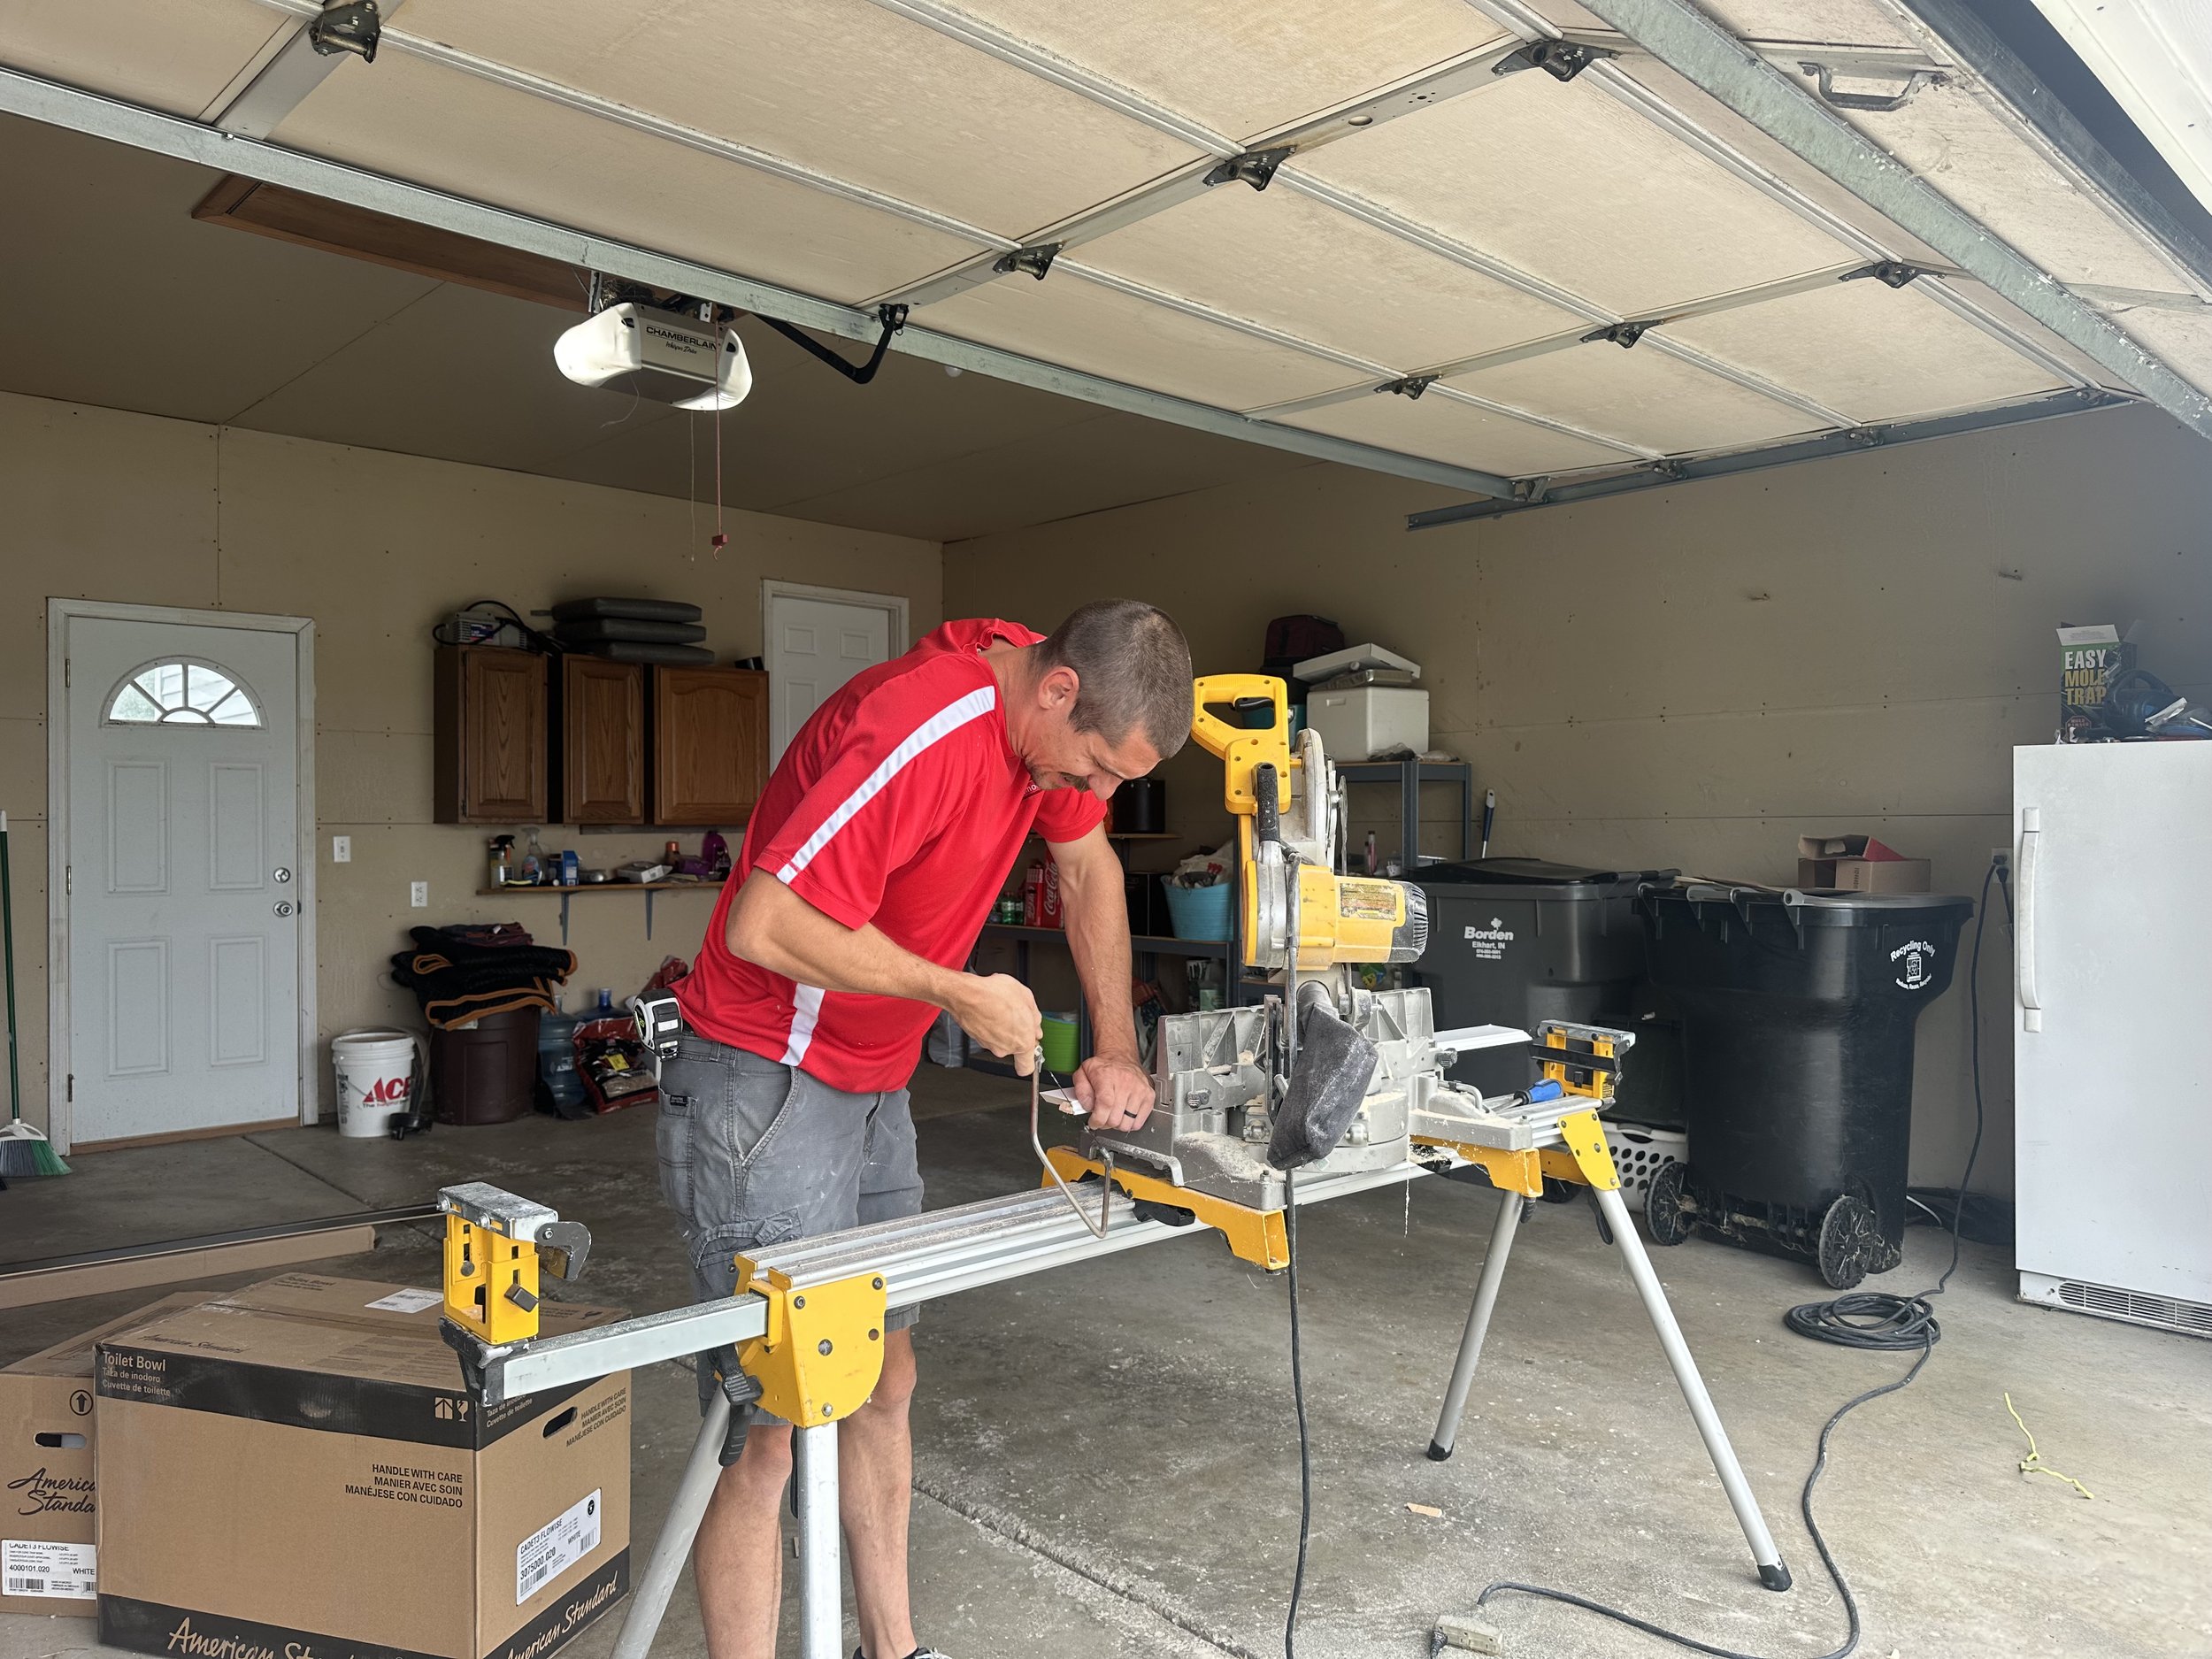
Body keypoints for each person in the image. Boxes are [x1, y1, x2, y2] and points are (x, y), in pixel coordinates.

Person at [657, 599, 1192, 1659]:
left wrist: (1117, 1046)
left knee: (884, 1382)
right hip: (767, 1075)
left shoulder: (1046, 722)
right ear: (1055, 690)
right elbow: (762, 923)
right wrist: (955, 990)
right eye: (1088, 770)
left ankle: (892, 1652)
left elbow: (1088, 871)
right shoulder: (924, 725)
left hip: (871, 1076)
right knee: (771, 1424)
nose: (1085, 797)